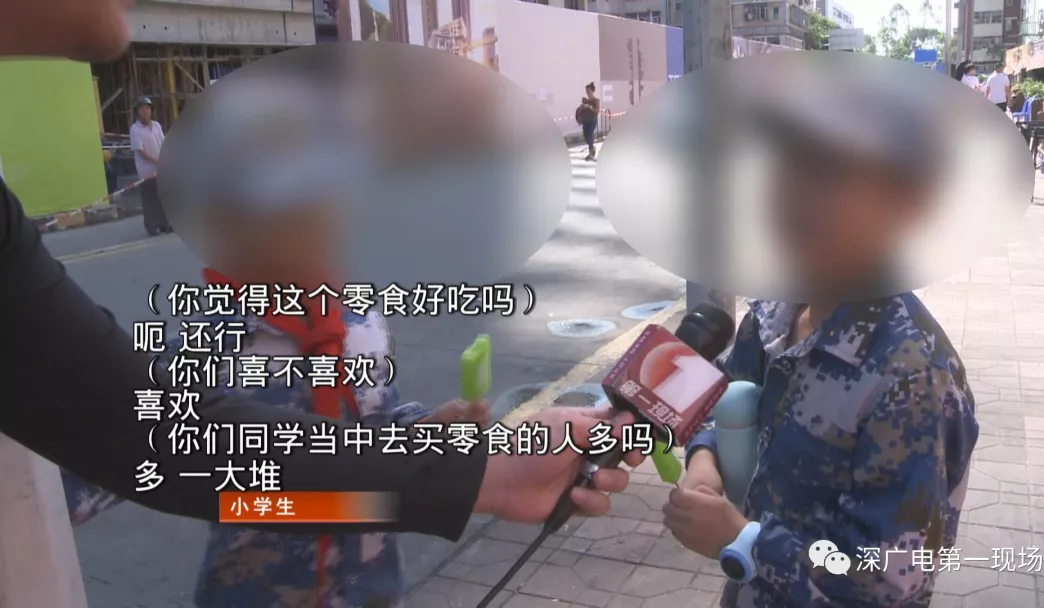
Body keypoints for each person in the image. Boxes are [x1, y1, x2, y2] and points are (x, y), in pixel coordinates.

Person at [0, 0, 643, 541]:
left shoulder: (359, 319)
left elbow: (371, 427)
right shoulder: (209, 339)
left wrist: (433, 440)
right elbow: (126, 452)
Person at [63, 141, 492, 605]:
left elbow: (377, 426)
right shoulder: (203, 349)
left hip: (370, 592)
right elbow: (105, 460)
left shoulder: (361, 322)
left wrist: (425, 428)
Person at [661, 94, 979, 606]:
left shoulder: (913, 376)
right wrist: (704, 459)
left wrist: (742, 541)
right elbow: (720, 401)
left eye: (831, 178)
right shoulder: (771, 316)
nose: (796, 198)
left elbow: (892, 578)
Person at [130, 96, 172, 236]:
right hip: (146, 170)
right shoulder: (135, 129)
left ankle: (165, 223)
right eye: (142, 109)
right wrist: (156, 161)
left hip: (161, 168)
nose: (145, 111)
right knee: (150, 199)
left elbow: (163, 142)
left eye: (147, 108)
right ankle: (151, 225)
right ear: (137, 112)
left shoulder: (156, 125)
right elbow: (140, 151)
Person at [576, 82, 601, 161]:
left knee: (589, 136)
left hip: (592, 121)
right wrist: (581, 107)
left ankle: (591, 153)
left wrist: (590, 107)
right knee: (586, 136)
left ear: (593, 91)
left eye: (589, 91)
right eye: (587, 91)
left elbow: (597, 111)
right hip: (585, 121)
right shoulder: (584, 100)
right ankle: (592, 147)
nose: (588, 92)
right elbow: (581, 110)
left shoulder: (596, 100)